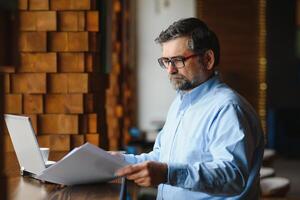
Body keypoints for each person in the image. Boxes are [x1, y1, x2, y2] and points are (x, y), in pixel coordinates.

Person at [115, 17, 265, 199]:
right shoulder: (180, 102)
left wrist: (168, 174)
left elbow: (232, 177)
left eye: (178, 60)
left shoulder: (228, 108)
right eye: (165, 61)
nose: (170, 70)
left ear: (208, 59)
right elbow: (162, 157)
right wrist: (116, 161)